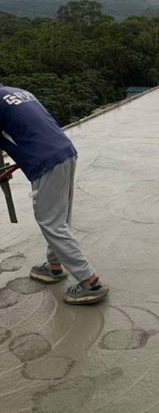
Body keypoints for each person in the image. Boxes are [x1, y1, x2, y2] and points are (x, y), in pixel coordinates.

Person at [0, 85, 109, 305]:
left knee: (50, 222)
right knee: (59, 218)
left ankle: (90, 282)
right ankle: (54, 267)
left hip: (45, 163)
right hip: (65, 151)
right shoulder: (15, 92)